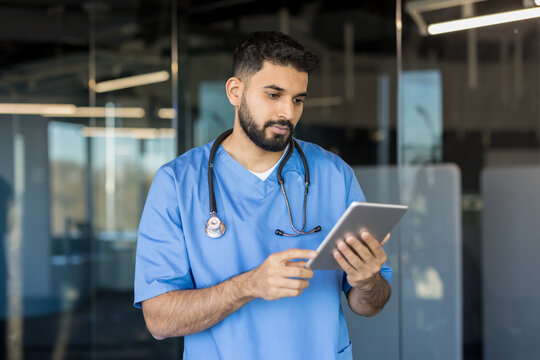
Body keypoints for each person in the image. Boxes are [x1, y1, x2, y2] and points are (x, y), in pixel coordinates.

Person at [134, 31, 391, 360]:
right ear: (235, 91)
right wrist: (250, 285)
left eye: (298, 99)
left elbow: (370, 304)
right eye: (274, 95)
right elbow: (159, 320)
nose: (288, 112)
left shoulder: (334, 175)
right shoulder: (177, 183)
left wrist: (367, 281)